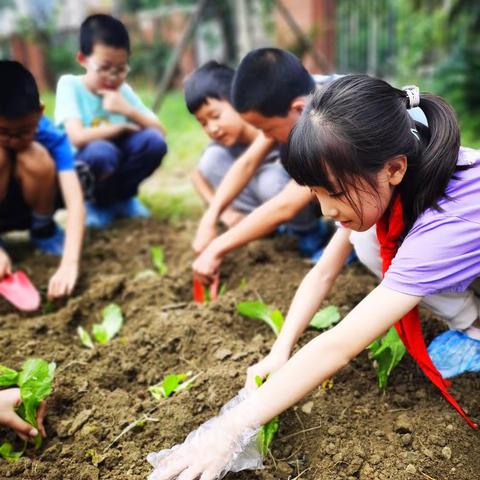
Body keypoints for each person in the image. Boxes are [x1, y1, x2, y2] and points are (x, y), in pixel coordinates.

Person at [147, 75, 480, 479]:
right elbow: (323, 272)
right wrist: (280, 350)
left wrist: (230, 428)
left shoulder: (451, 215)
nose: (325, 210)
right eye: (315, 193)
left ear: (393, 169)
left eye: (334, 193)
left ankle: (474, 330)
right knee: (365, 243)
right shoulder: (395, 167)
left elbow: (339, 346)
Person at [192, 48, 330, 263]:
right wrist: (210, 218)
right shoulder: (296, 93)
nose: (264, 137)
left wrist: (217, 247)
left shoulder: (334, 125)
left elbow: (287, 204)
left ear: (298, 109)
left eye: (267, 129)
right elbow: (246, 164)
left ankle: (321, 239)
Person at [55, 13, 167, 228]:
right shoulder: (70, 85)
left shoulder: (122, 91)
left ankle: (123, 199)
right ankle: (95, 204)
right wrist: (120, 127)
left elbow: (160, 132)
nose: (113, 77)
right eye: (105, 68)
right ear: (82, 60)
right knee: (101, 152)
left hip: (115, 159)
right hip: (89, 160)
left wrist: (128, 110)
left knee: (153, 142)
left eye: (121, 69)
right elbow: (77, 137)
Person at [0, 60, 85, 299]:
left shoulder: (54, 138)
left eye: (25, 130)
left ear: (40, 111)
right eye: (5, 132)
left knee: (34, 154)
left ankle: (43, 230)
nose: (15, 140)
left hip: (31, 204)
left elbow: (76, 203)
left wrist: (70, 263)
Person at [185, 60, 294, 229]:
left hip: (295, 199)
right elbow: (196, 176)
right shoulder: (224, 140)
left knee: (269, 181)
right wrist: (224, 212)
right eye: (203, 123)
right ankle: (260, 226)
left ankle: (308, 233)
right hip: (261, 204)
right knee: (211, 159)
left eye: (215, 116)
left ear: (237, 101)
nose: (212, 128)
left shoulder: (271, 127)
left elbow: (248, 164)